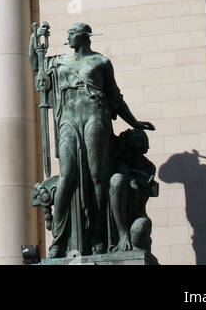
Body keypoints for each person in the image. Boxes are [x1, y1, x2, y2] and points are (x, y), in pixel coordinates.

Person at [30, 22, 154, 258]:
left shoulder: (101, 62)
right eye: (67, 34)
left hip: (95, 117)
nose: (68, 38)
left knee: (99, 176)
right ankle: (57, 241)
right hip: (68, 120)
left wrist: (134, 123)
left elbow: (115, 97)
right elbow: (36, 65)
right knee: (67, 176)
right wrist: (35, 39)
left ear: (84, 37)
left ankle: (98, 235)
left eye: (72, 34)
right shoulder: (58, 62)